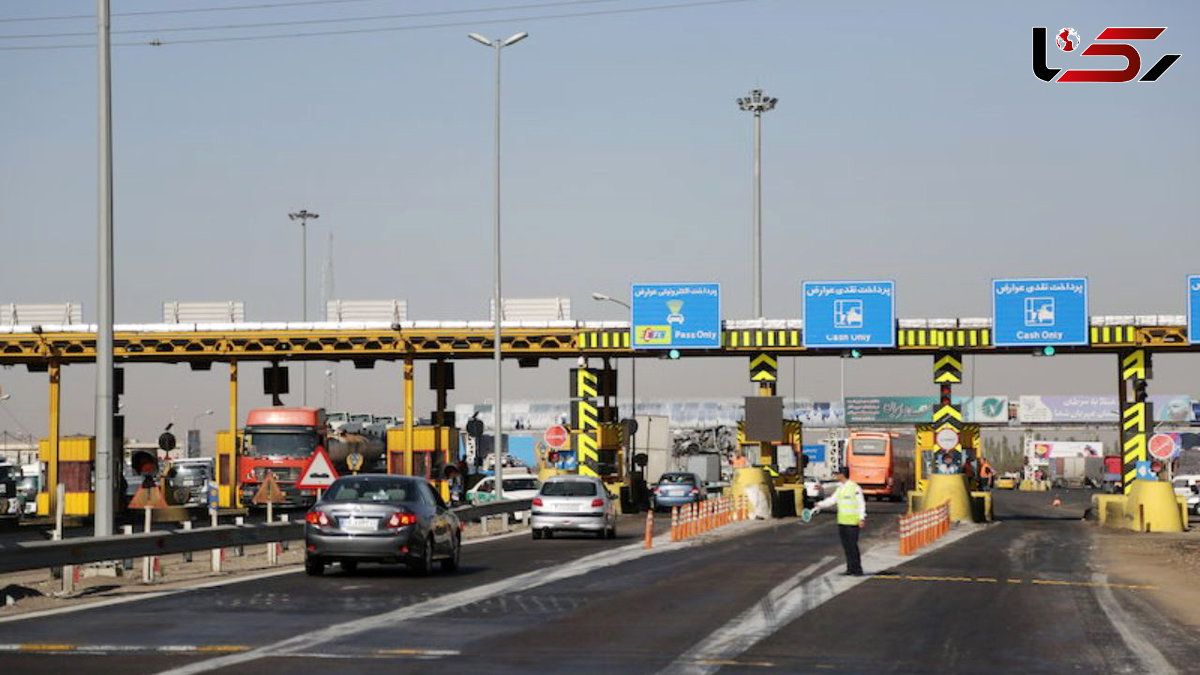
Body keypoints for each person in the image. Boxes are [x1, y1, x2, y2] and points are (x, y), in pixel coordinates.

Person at [814, 466, 866, 576]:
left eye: (838, 474)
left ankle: (857, 569)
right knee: (846, 547)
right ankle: (850, 568)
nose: (836, 476)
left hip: (852, 522)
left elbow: (861, 503)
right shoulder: (840, 488)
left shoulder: (854, 487)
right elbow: (832, 500)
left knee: (852, 546)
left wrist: (861, 518)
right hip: (842, 522)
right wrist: (820, 505)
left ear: (842, 475)